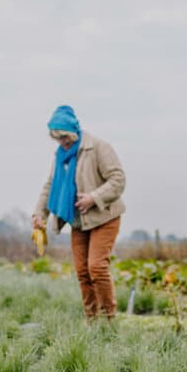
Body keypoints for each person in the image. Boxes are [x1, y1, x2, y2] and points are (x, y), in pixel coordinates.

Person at [32, 105, 126, 320]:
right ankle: (92, 321)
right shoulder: (61, 157)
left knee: (97, 267)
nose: (62, 142)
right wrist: (39, 214)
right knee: (83, 272)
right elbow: (50, 187)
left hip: (104, 217)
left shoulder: (99, 148)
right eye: (57, 139)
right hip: (78, 221)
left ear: (73, 131)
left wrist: (94, 197)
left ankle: (108, 319)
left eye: (64, 137)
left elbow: (118, 179)